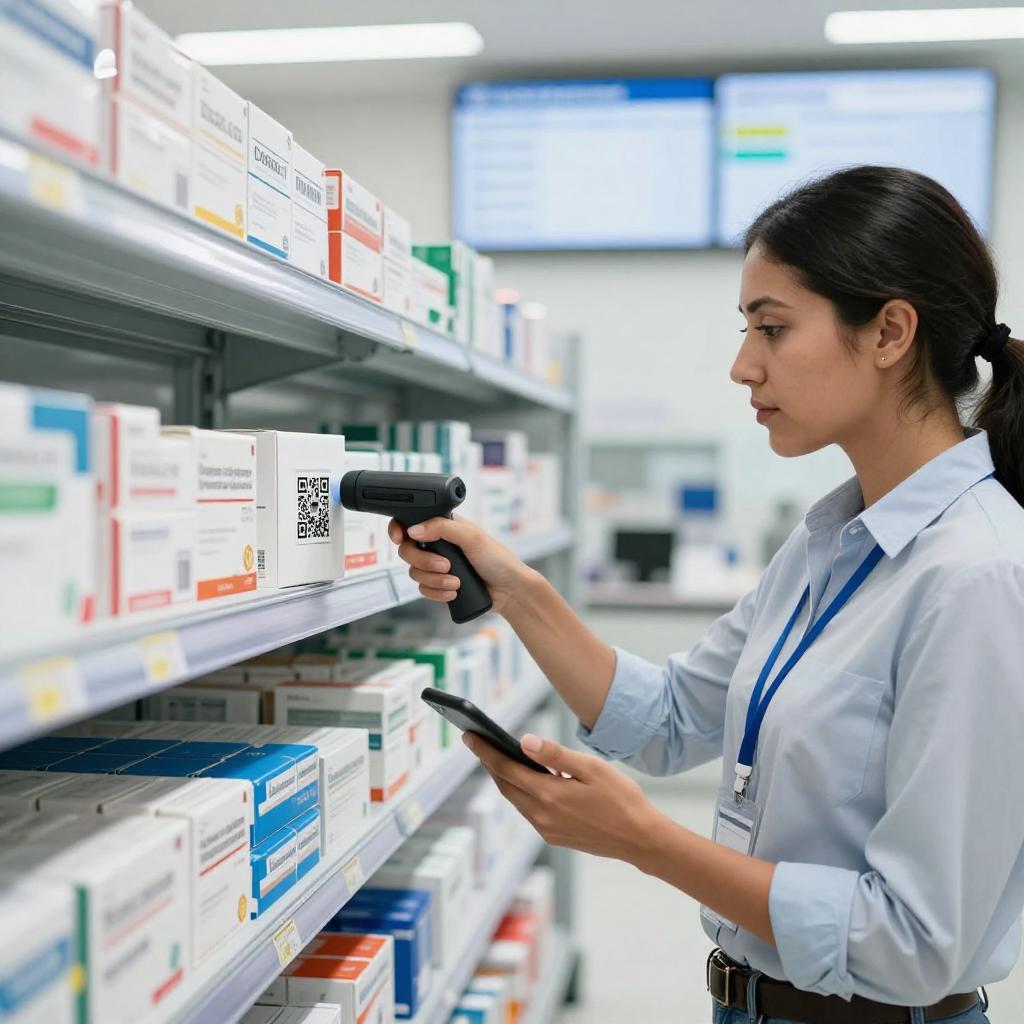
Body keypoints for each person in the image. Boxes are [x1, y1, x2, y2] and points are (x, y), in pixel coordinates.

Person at [389, 165, 1024, 1024]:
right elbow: (670, 721)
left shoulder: (977, 576)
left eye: (771, 328)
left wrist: (648, 842)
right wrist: (518, 592)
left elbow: (916, 941)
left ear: (890, 332)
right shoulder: (825, 543)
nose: (741, 366)